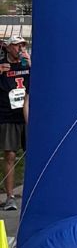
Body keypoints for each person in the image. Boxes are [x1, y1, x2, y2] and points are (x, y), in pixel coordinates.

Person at [0, 35, 29, 210]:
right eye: (17, 46)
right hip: (8, 115)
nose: (20, 49)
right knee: (10, 155)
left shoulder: (27, 64)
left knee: (31, 155)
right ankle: (10, 196)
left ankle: (31, 190)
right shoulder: (3, 64)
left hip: (26, 114)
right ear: (9, 47)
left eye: (22, 46)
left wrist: (32, 64)